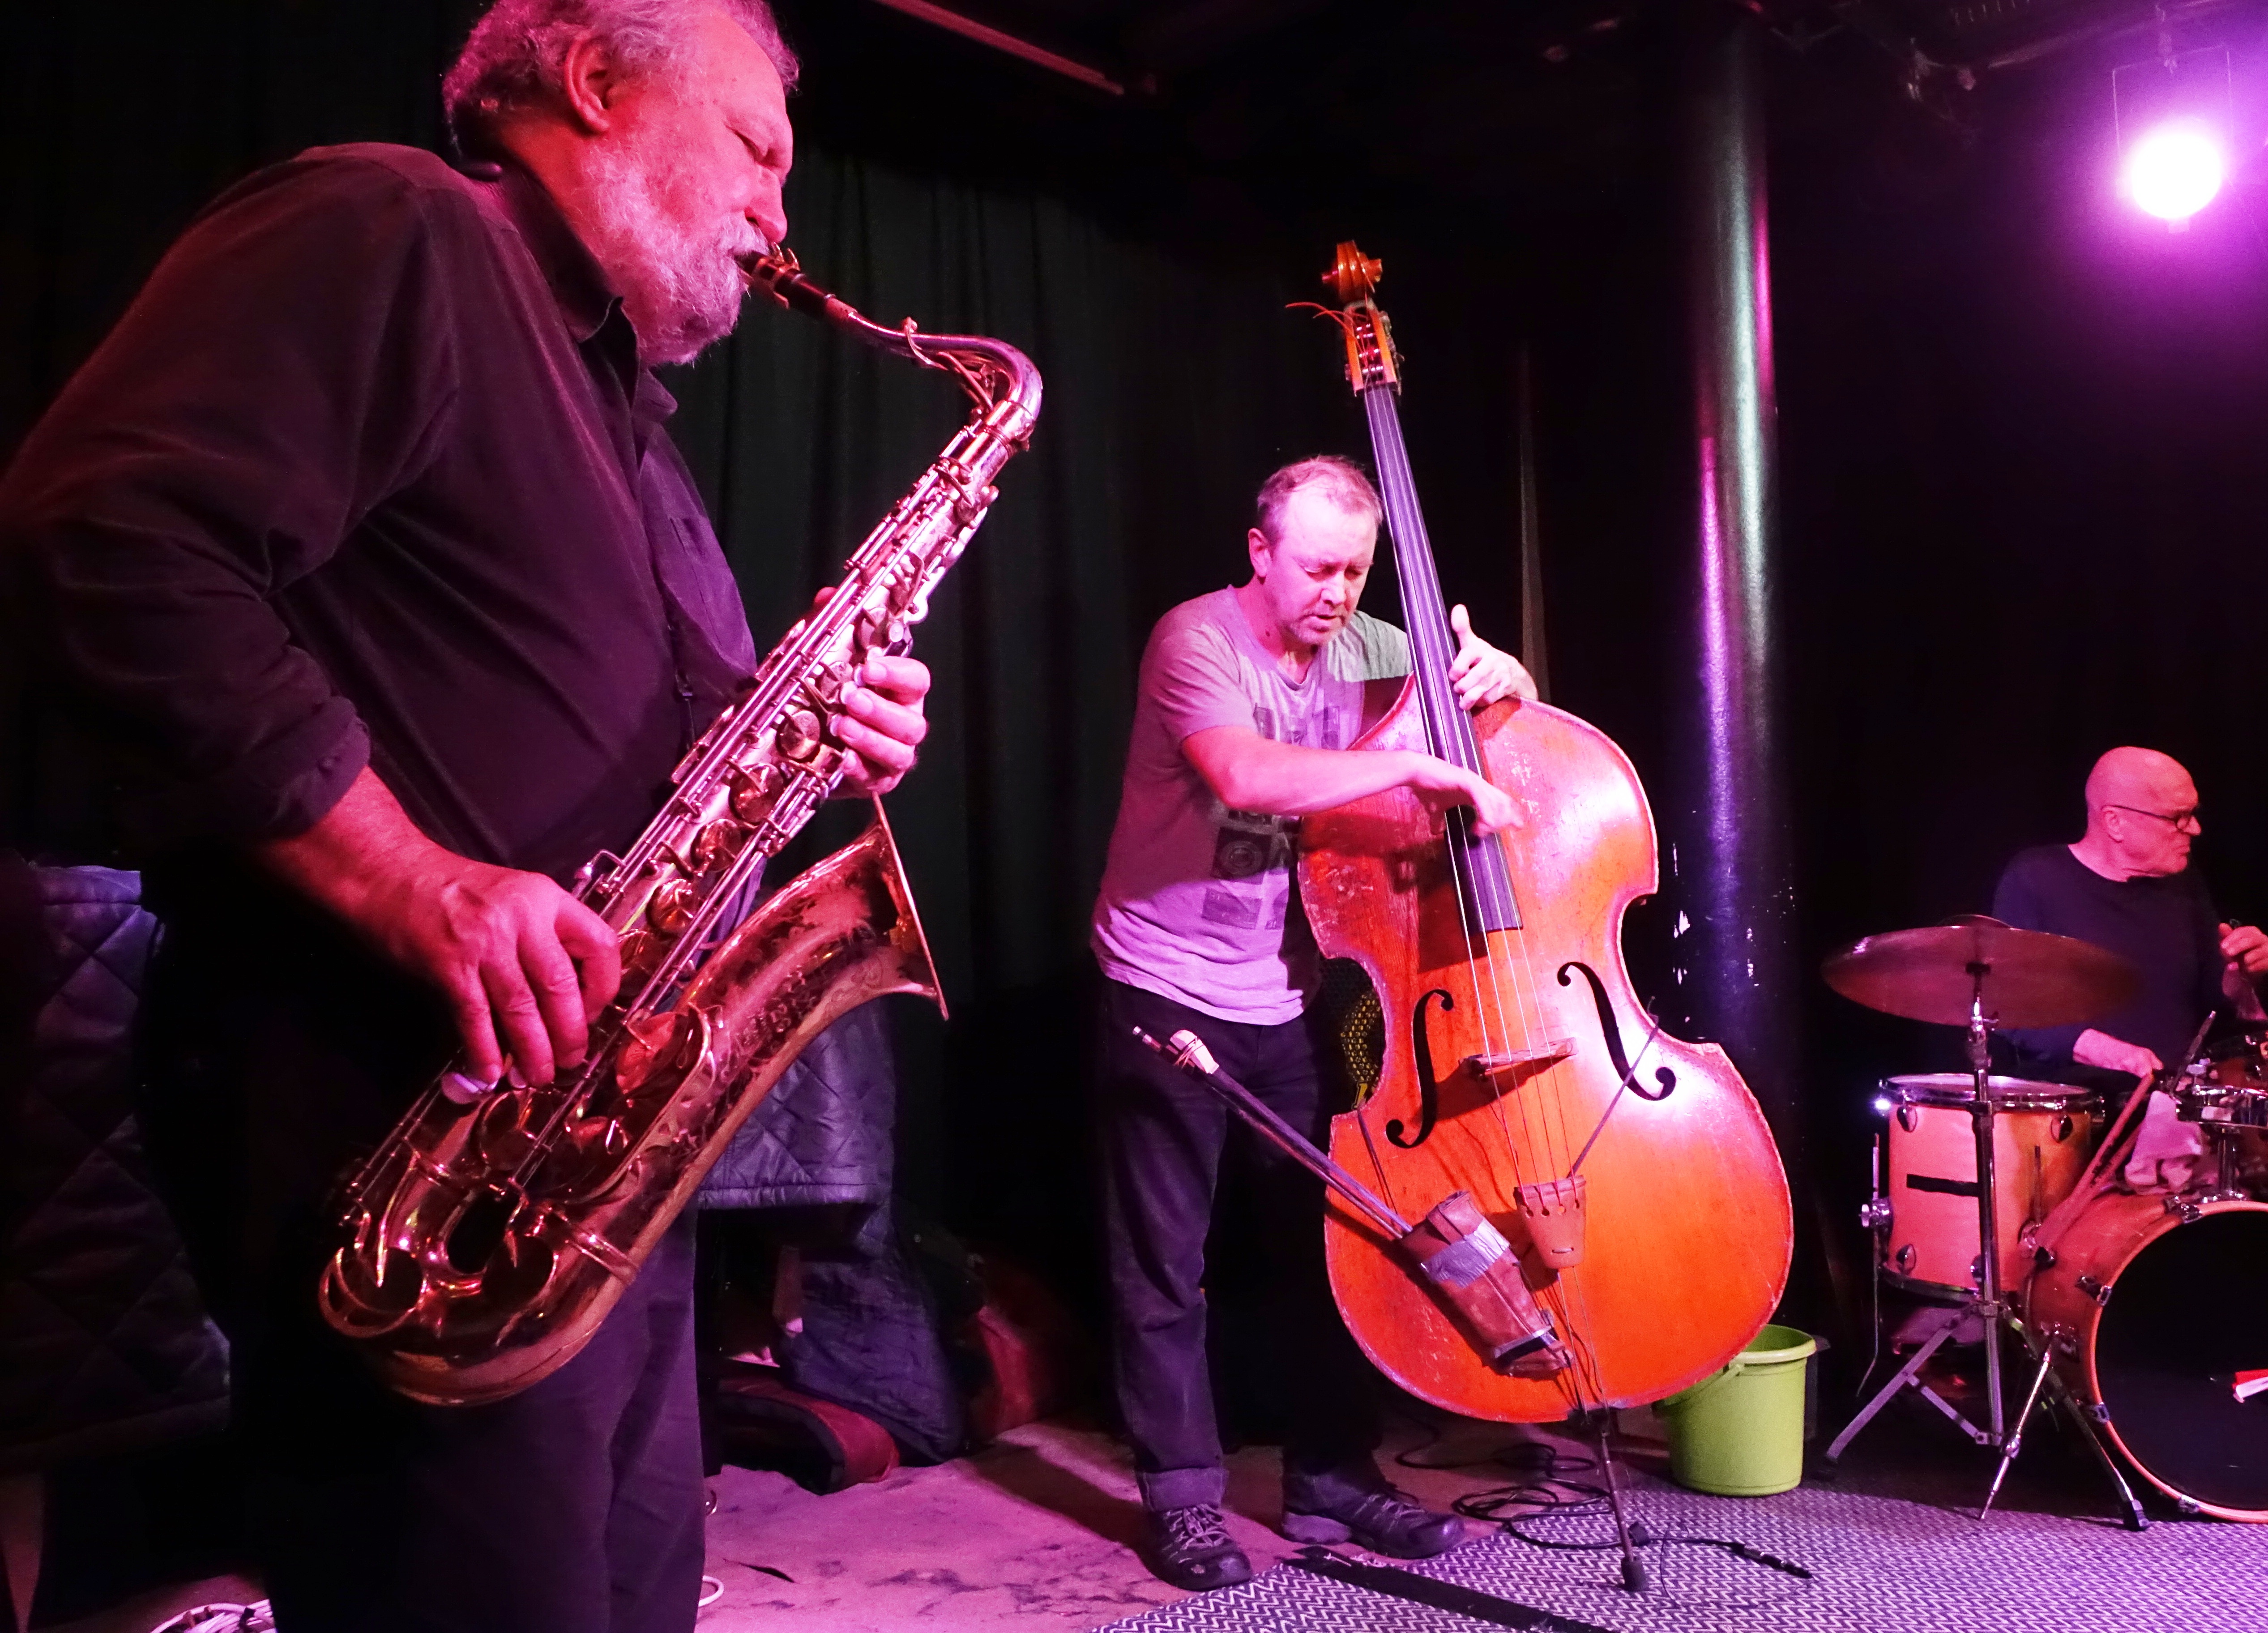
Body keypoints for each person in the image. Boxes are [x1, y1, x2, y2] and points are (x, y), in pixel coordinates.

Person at [0, 4, 931, 1630]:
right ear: (590, 82)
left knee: (625, 1594)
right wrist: (409, 880)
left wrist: (822, 743)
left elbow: (670, 769)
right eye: (756, 151)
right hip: (401, 1126)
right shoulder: (398, 225)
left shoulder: (625, 414)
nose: (783, 213)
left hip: (586, 1163)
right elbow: (107, 530)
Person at [1088, 454, 1535, 1590]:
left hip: (1288, 996)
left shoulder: (1369, 644)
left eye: (1355, 570)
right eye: (1316, 567)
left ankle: (1331, 1480)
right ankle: (1184, 1499)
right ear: (1259, 554)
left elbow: (1506, 705)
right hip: (1164, 986)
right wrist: (1406, 751)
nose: (1337, 593)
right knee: (1163, 1268)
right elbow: (1242, 776)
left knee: (1319, 1257)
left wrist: (1503, 676)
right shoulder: (1194, 640)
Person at [1992, 746, 2268, 1186]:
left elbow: (2212, 1003)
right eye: (2177, 818)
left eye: (2194, 814)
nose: (2195, 830)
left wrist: (2244, 981)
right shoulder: (2037, 878)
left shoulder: (2183, 884)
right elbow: (2008, 1009)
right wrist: (2108, 1050)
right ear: (2114, 822)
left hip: (2179, 1121)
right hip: (2076, 1129)